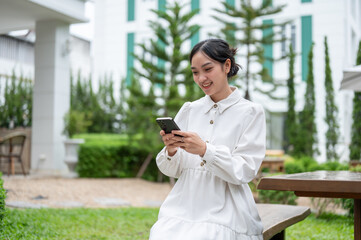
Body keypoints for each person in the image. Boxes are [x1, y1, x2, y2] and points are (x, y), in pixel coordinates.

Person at [149, 39, 266, 240]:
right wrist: (171, 150)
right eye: (195, 72)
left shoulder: (251, 112)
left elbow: (246, 170)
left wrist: (205, 150)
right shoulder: (189, 109)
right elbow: (173, 170)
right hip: (183, 206)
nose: (201, 78)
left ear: (226, 65)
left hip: (228, 210)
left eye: (207, 69)